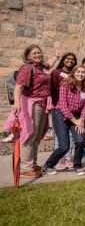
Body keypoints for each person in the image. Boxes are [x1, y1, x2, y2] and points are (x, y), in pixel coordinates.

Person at [8, 45, 60, 178]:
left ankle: (33, 164)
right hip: (32, 104)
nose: (38, 55)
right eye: (34, 53)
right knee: (30, 135)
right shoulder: (27, 68)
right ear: (28, 56)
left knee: (37, 137)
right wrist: (17, 103)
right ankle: (25, 168)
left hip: (42, 104)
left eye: (39, 53)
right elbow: (18, 87)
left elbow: (49, 64)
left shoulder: (42, 68)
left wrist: (57, 56)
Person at [43, 65, 85, 176]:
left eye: (83, 72)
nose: (80, 74)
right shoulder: (65, 84)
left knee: (80, 140)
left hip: (78, 116)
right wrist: (75, 121)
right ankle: (48, 165)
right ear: (73, 73)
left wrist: (82, 120)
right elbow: (63, 105)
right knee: (64, 146)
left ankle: (77, 165)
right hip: (60, 114)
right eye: (78, 72)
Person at [50, 52, 77, 169]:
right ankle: (59, 159)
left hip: (72, 109)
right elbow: (51, 89)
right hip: (59, 107)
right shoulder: (56, 72)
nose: (70, 61)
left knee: (70, 135)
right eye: (68, 58)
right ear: (63, 60)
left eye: (72, 59)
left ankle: (68, 157)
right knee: (59, 135)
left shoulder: (74, 73)